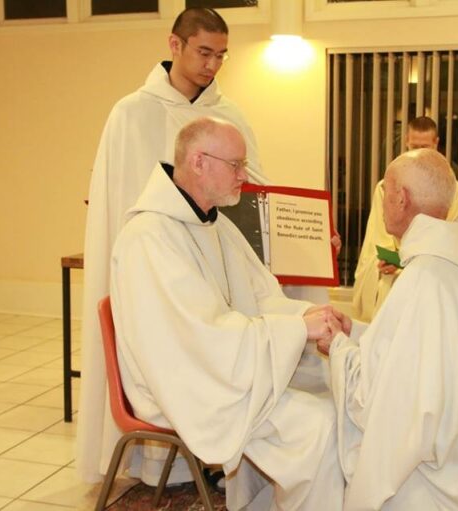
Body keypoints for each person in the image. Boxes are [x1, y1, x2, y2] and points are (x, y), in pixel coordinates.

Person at [78, 7, 332, 485]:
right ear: (174, 46)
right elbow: (117, 205)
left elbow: (258, 195)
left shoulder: (227, 115)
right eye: (204, 52)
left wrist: (316, 238)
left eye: (221, 56)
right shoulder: (132, 114)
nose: (212, 66)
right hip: (157, 272)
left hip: (207, 255)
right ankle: (163, 464)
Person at [111, 117, 346, 510]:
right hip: (185, 383)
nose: (244, 176)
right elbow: (201, 339)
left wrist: (311, 314)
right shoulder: (149, 237)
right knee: (321, 428)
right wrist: (294, 330)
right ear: (199, 162)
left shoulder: (214, 225)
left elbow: (261, 298)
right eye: (236, 165)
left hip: (222, 367)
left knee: (331, 392)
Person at [319, 149, 458, 511]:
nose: (384, 205)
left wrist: (336, 346)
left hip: (429, 479)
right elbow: (420, 349)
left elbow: (380, 399)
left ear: (401, 199)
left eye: (386, 194)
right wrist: (356, 333)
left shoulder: (424, 277)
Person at [351, 116, 458, 322]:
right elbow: (378, 242)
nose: (418, 153)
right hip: (395, 278)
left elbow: (455, 242)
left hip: (433, 276)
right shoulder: (386, 188)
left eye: (425, 148)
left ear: (436, 144)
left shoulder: (452, 190)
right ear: (406, 142)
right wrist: (391, 261)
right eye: (414, 147)